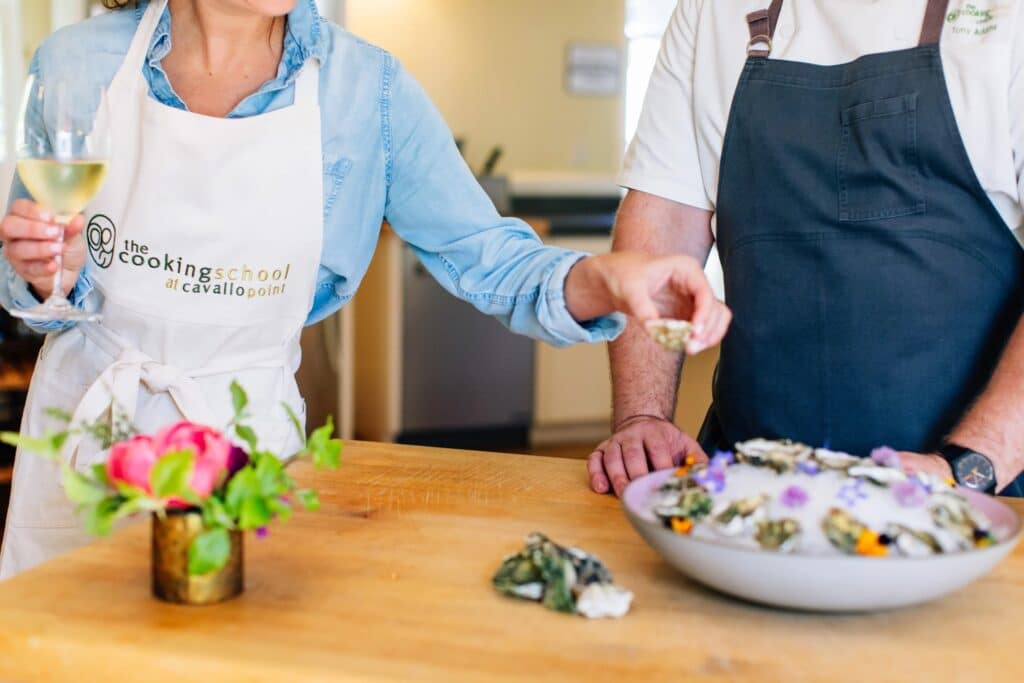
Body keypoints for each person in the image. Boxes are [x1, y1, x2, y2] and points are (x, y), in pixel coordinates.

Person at [0, 0, 732, 577]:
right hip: (83, 440)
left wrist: (605, 275)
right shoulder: (76, 63)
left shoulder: (367, 91)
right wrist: (40, 272)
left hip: (243, 457)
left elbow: (490, 259)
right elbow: (31, 276)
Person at [589, 0, 1024, 498]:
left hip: (972, 491)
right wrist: (641, 416)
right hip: (752, 489)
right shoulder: (712, 11)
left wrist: (969, 466)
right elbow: (661, 218)